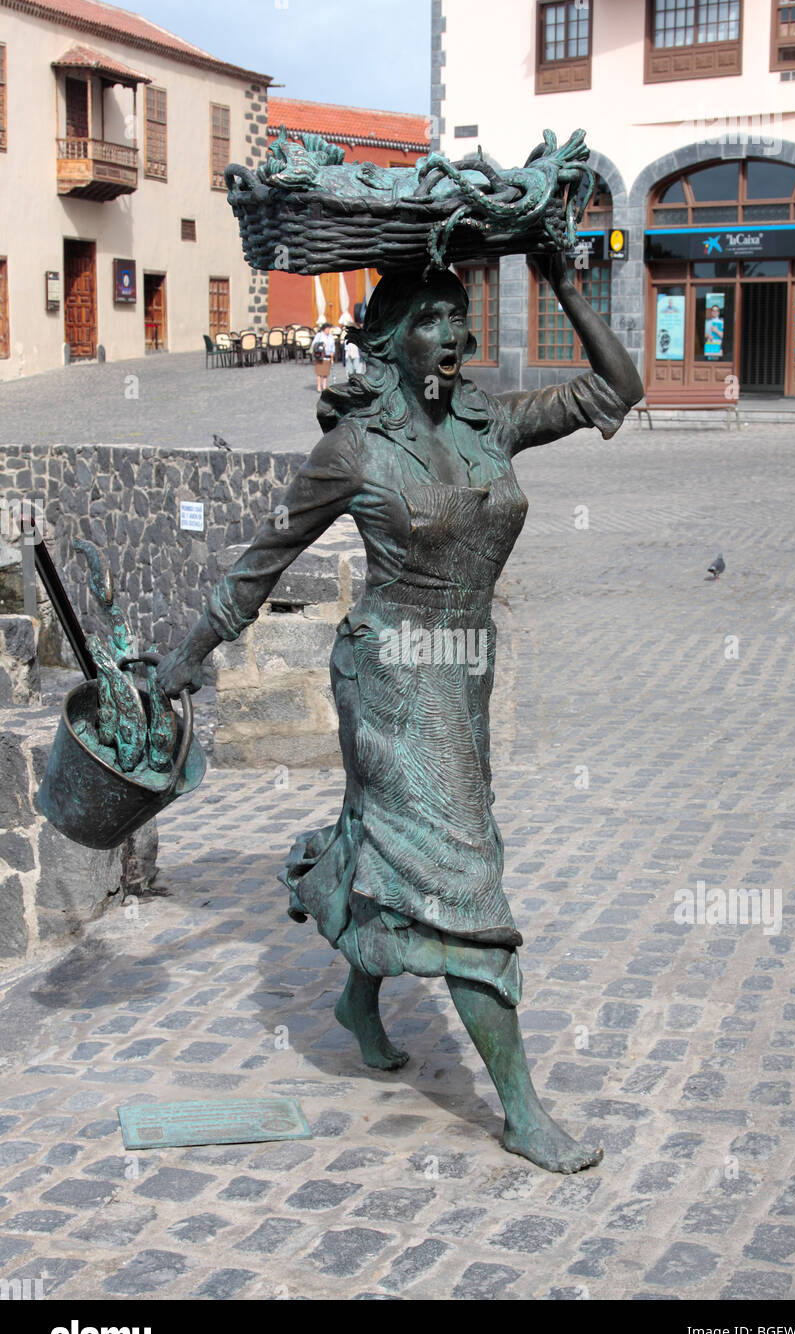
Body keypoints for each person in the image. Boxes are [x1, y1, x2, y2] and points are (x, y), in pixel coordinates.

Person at [157, 253, 644, 1173]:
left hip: (463, 671)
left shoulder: (488, 419)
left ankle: (356, 998)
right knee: (462, 870)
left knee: (401, 839)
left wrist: (561, 281)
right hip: (388, 673)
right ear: (386, 343)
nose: (454, 336)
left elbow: (619, 386)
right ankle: (522, 1110)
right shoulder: (355, 448)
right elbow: (265, 557)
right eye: (431, 319)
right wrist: (190, 653)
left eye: (460, 318)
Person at [310, 322, 335, 393]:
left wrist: (333, 352)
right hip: (320, 356)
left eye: (329, 329)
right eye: (327, 329)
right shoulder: (319, 335)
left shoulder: (331, 336)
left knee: (326, 372)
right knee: (319, 372)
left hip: (328, 355)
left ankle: (324, 386)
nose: (328, 330)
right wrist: (320, 344)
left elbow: (333, 345)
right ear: (324, 329)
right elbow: (313, 344)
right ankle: (319, 386)